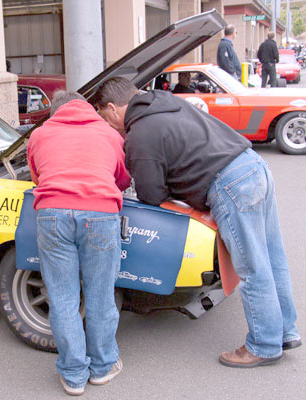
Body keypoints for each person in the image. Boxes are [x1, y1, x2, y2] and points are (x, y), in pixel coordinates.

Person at [93, 77, 301, 369]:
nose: (107, 123)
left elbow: (151, 195)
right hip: (252, 166)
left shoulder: (141, 133)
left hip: (230, 184)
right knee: (271, 257)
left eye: (103, 116)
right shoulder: (166, 103)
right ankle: (285, 331)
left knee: (251, 267)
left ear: (113, 108)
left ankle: (264, 345)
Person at [27, 90, 130, 395]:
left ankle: (73, 375)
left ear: (54, 113)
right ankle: (102, 367)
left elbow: (37, 177)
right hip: (100, 214)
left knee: (62, 297)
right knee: (100, 294)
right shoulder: (109, 133)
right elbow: (121, 178)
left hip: (52, 215)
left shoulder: (39, 134)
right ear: (88, 109)